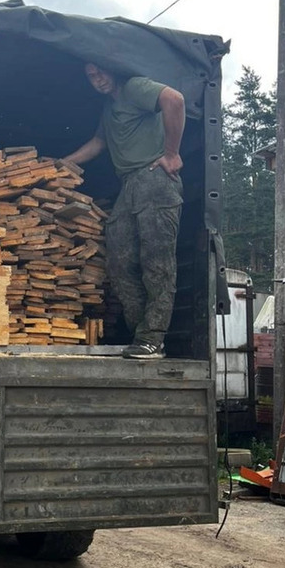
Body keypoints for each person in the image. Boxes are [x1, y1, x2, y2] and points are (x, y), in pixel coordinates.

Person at [64, 63, 185, 359]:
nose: (98, 80)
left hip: (155, 179)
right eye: (91, 76)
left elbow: (175, 100)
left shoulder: (134, 87)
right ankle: (140, 334)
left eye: (101, 72)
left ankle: (153, 338)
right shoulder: (110, 107)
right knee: (119, 262)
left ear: (114, 69)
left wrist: (171, 153)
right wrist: (60, 164)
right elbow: (98, 143)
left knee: (156, 263)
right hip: (129, 185)